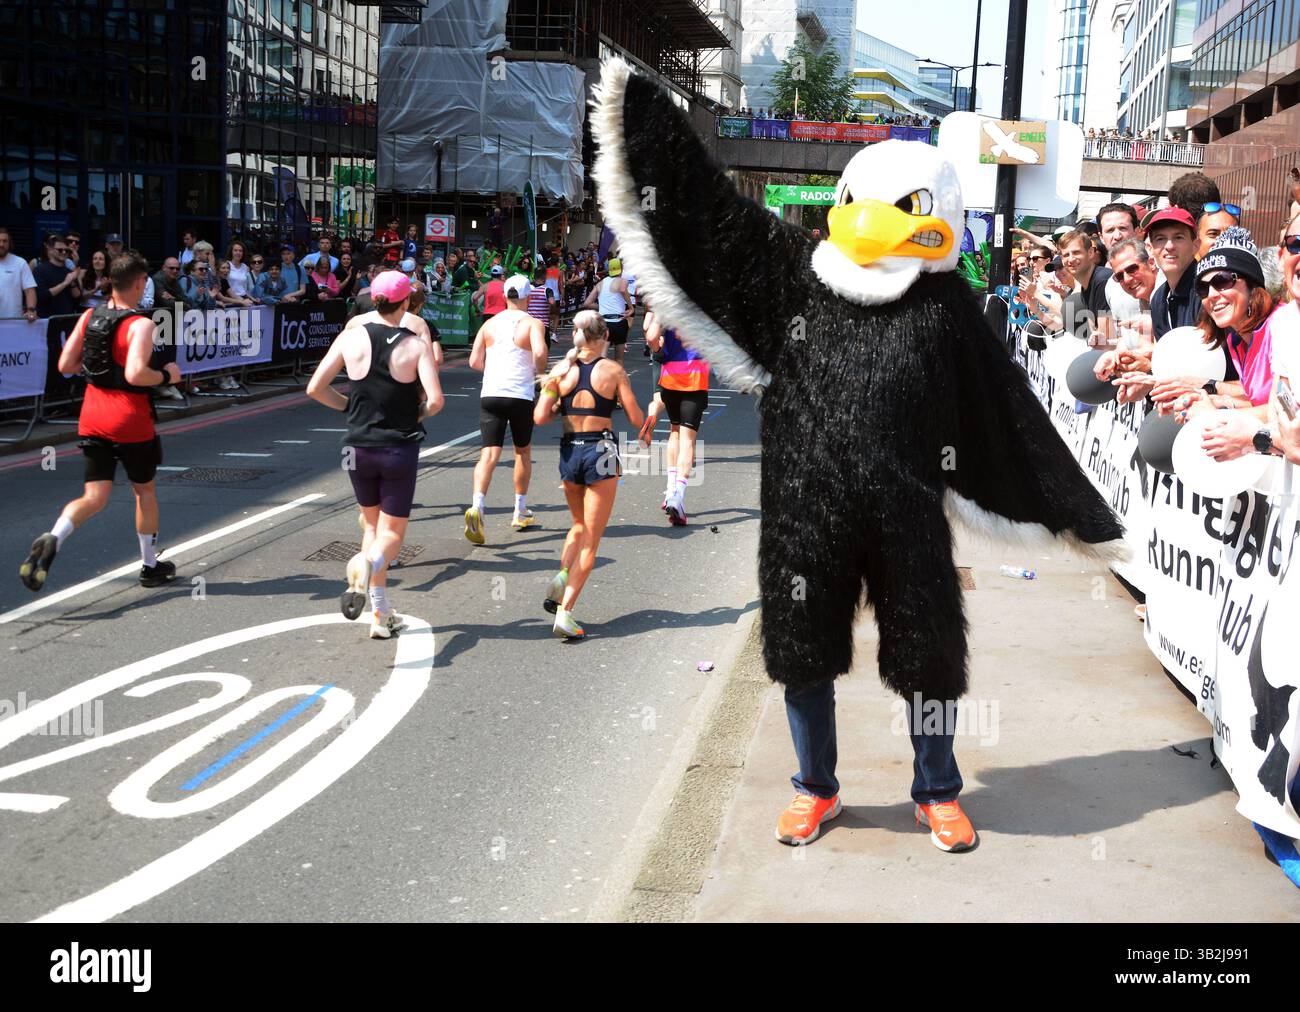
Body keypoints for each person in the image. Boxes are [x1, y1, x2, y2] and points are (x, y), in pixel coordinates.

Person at [18, 252, 181, 594]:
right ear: (139, 283)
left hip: (93, 415)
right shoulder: (142, 324)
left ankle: (55, 536)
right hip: (130, 418)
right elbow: (137, 373)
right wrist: (166, 374)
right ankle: (150, 566)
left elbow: (65, 364)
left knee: (94, 495)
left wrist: (98, 372)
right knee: (145, 492)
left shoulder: (91, 314)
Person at [306, 271, 443, 638]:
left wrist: (347, 406)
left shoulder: (350, 337)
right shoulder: (415, 344)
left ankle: (379, 612)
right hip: (398, 446)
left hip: (356, 446)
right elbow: (436, 400)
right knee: (392, 535)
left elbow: (315, 387)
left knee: (371, 526)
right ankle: (369, 564)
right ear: (404, 303)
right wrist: (418, 413)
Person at [533, 310, 646, 639]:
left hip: (570, 450)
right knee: (592, 541)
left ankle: (563, 574)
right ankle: (565, 612)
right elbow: (637, 418)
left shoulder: (561, 371)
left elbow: (540, 417)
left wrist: (561, 407)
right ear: (605, 337)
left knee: (578, 525)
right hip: (601, 451)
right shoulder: (613, 370)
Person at [464, 273, 549, 544]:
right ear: (527, 297)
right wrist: (539, 372)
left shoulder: (489, 324)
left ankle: (477, 506)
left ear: (505, 295)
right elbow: (538, 353)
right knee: (522, 452)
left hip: (491, 392)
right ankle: (519, 510)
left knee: (488, 454)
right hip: (520, 395)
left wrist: (496, 370)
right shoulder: (532, 323)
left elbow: (474, 361)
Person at [641, 306, 710, 525]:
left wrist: (658, 351)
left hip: (670, 377)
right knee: (688, 440)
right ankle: (677, 496)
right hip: (695, 377)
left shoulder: (667, 302)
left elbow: (651, 335)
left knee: (675, 432)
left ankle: (669, 489)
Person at [1145, 207, 1201, 339]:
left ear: (1196, 245)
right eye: (1160, 239)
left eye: (1178, 237)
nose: (1169, 246)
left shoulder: (1207, 290)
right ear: (1150, 249)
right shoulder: (1158, 300)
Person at [584, 256, 632, 362]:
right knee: (619, 358)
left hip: (604, 322)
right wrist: (631, 308)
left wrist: (602, 306)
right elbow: (623, 289)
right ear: (621, 269)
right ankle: (617, 378)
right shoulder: (622, 281)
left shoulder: (600, 284)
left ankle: (600, 377)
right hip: (619, 321)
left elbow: (587, 303)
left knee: (602, 356)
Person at [33, 234, 82, 318]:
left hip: (67, 319)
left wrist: (72, 282)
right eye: (60, 250)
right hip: (47, 320)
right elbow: (43, 296)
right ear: (50, 250)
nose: (63, 252)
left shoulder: (68, 271)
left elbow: (77, 298)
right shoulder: (40, 270)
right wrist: (65, 283)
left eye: (66, 250)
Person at [0, 227, 38, 322]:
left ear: (9, 244)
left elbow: (30, 290)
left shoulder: (20, 263)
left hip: (13, 321)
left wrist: (31, 310)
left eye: (5, 241)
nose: (1, 244)